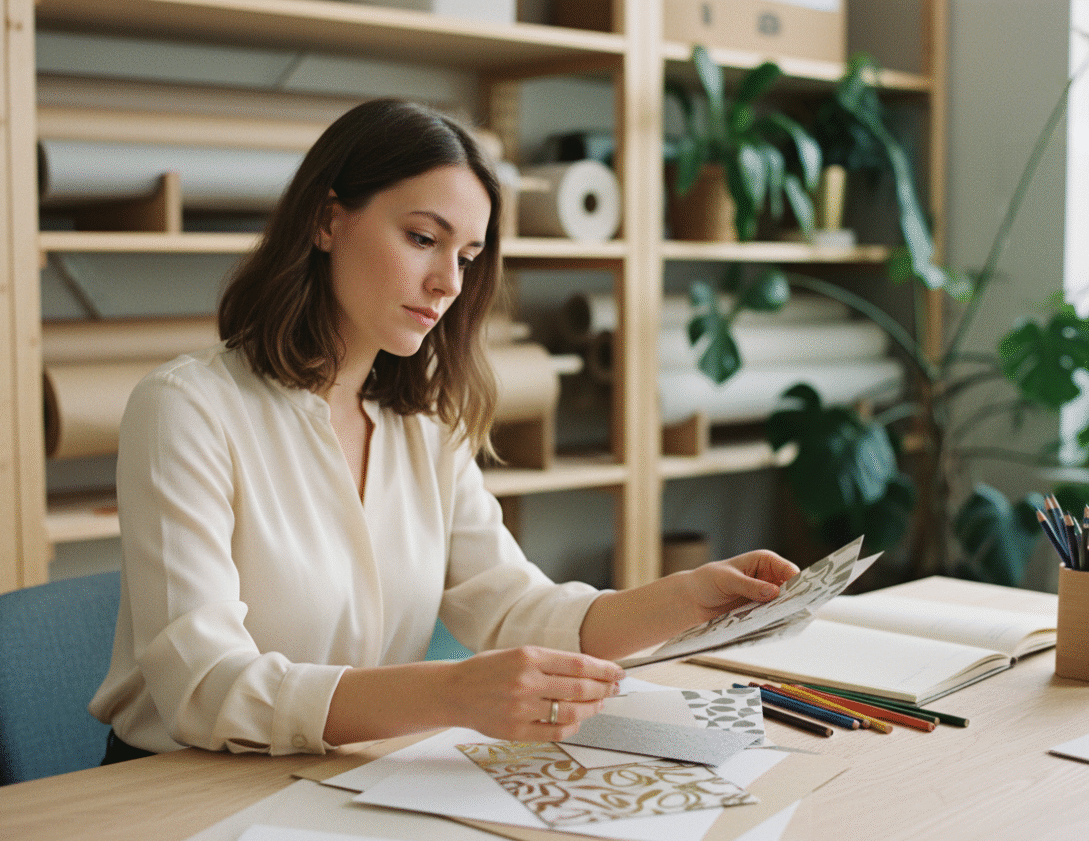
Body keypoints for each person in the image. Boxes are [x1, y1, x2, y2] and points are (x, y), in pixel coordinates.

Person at [89, 98, 799, 764]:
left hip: (337, 775)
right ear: (327, 221)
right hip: (176, 784)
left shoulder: (422, 429)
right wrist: (452, 693)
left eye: (465, 257)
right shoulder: (187, 408)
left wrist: (686, 599)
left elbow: (518, 609)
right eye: (424, 238)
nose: (448, 284)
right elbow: (203, 686)